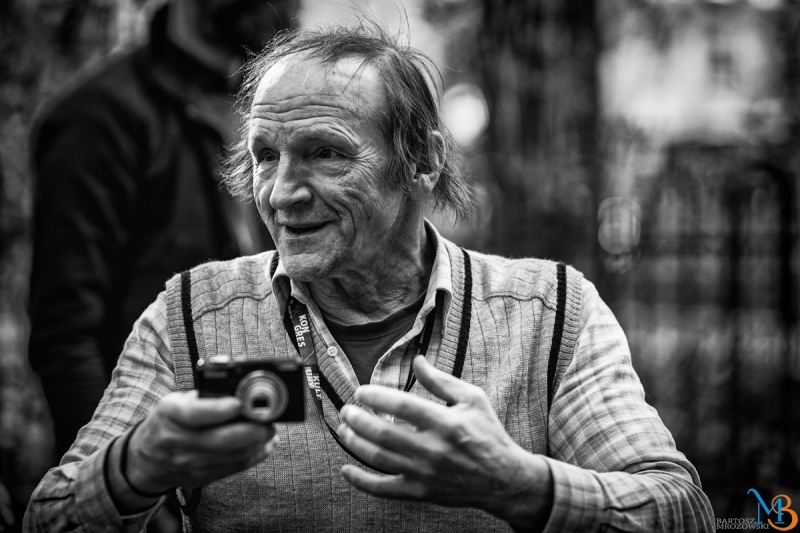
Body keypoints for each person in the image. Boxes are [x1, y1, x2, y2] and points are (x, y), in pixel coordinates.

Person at [25, 23, 715, 532]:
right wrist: (137, 466)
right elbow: (49, 516)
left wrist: (520, 485)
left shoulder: (549, 313)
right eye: (265, 156)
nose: (282, 193)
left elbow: (681, 509)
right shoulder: (193, 317)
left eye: (325, 154)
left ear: (422, 162)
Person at [27, 0, 298, 459]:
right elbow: (67, 337)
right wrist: (115, 474)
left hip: (257, 457)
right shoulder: (97, 120)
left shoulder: (272, 106)